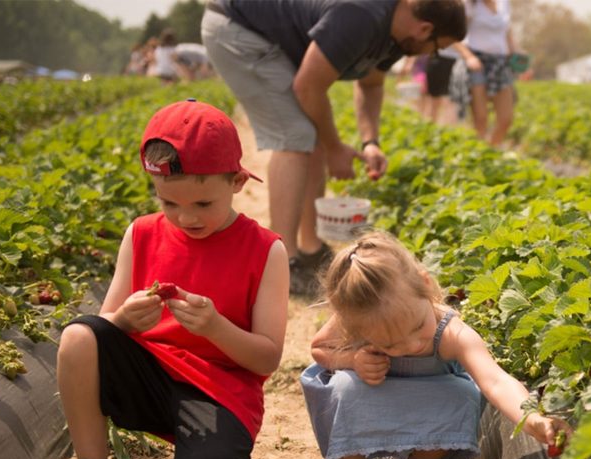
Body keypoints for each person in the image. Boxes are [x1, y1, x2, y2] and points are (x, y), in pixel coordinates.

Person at [35, 100, 289, 459]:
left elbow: (266, 359)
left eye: (203, 204)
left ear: (238, 181)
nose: (186, 217)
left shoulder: (266, 250)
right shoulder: (142, 233)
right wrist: (125, 321)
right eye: (170, 203)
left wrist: (216, 328)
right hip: (147, 375)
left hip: (216, 387)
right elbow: (103, 326)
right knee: (80, 336)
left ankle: (197, 449)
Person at [299, 231, 571, 459]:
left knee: (463, 394)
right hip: (373, 396)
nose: (412, 345)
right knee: (344, 386)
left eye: (418, 327)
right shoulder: (363, 316)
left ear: (426, 285)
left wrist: (532, 419)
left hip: (427, 398)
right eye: (390, 345)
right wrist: (351, 360)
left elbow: (494, 380)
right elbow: (319, 348)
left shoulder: (451, 332)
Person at [201, 0, 468, 296]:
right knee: (295, 135)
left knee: (310, 135)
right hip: (238, 28)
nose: (430, 54)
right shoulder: (363, 15)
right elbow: (308, 87)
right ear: (425, 28)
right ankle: (281, 264)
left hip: (266, 37)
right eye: (435, 47)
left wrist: (371, 142)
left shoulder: (396, 37)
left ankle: (310, 248)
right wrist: (335, 148)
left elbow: (371, 85)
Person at [452, 0, 516, 147]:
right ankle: (478, 156)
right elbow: (455, 37)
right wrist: (469, 57)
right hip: (477, 63)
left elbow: (507, 33)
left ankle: (491, 152)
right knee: (481, 119)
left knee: (506, 119)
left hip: (500, 63)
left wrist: (516, 54)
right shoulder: (471, 5)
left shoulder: (503, 3)